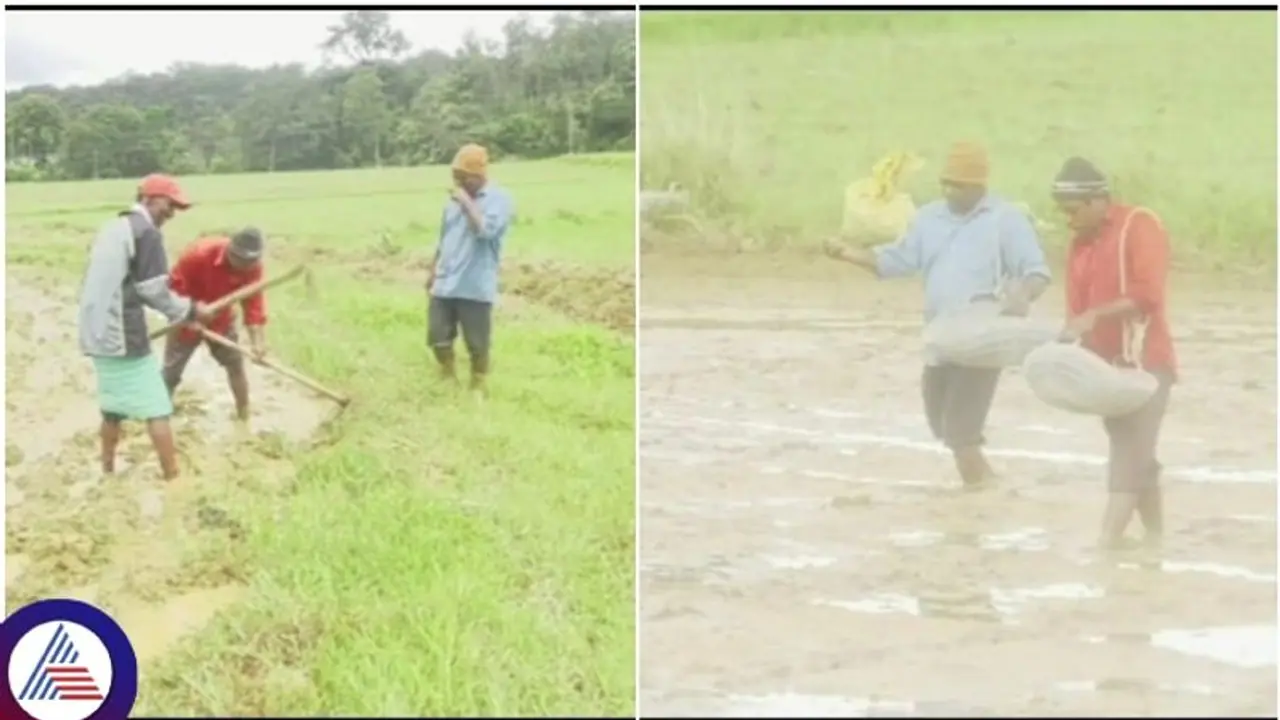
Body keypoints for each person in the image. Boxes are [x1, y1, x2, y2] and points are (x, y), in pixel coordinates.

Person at [823, 141, 1052, 487]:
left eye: (958, 185)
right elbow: (897, 260)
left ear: (979, 185)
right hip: (940, 335)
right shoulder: (929, 217)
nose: (949, 191)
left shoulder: (1006, 220)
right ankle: (989, 484)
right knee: (940, 423)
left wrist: (1023, 293)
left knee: (961, 431)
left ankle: (983, 493)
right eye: (946, 183)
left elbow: (1036, 271)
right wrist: (849, 254)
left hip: (982, 336)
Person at [1052, 157, 1176, 550]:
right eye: (1063, 213)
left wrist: (1094, 315)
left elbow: (1148, 294)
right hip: (1105, 369)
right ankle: (1156, 539)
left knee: (1128, 453)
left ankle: (1107, 545)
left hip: (1146, 363)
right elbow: (1076, 310)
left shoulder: (1140, 226)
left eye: (1072, 211)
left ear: (1097, 200)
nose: (1068, 220)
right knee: (1138, 455)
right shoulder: (1079, 245)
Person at [77, 174, 213, 480]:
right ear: (149, 199)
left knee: (112, 406)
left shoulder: (114, 227)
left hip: (94, 329)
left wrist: (181, 312)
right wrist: (189, 310)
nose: (172, 212)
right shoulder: (146, 234)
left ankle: (107, 471)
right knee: (158, 406)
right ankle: (174, 479)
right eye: (170, 204)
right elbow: (153, 290)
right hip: (121, 332)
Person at [425, 143, 515, 394]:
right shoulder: (452, 202)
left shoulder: (499, 199)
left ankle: (478, 384)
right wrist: (432, 270)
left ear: (479, 176)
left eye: (463, 178)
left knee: (477, 342)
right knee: (437, 335)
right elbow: (445, 238)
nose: (459, 184)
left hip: (474, 284)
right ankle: (447, 377)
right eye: (456, 178)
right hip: (445, 281)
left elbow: (485, 231)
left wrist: (466, 204)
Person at [164, 228, 269, 421]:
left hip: (221, 320)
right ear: (230, 250)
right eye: (239, 260)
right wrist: (190, 315)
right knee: (171, 373)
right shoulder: (198, 255)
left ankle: (244, 418)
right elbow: (172, 290)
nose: (244, 267)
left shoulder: (254, 267)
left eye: (250, 263)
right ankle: (158, 416)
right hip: (185, 318)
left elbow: (253, 304)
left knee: (235, 365)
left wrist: (257, 343)